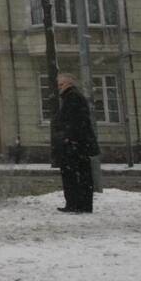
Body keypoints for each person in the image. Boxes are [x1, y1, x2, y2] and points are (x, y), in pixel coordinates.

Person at [54, 72, 97, 213]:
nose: (59, 87)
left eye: (61, 84)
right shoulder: (73, 97)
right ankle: (80, 204)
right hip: (80, 144)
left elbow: (73, 122)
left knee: (74, 175)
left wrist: (68, 138)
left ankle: (76, 204)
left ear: (69, 84)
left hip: (75, 145)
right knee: (81, 175)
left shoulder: (72, 98)